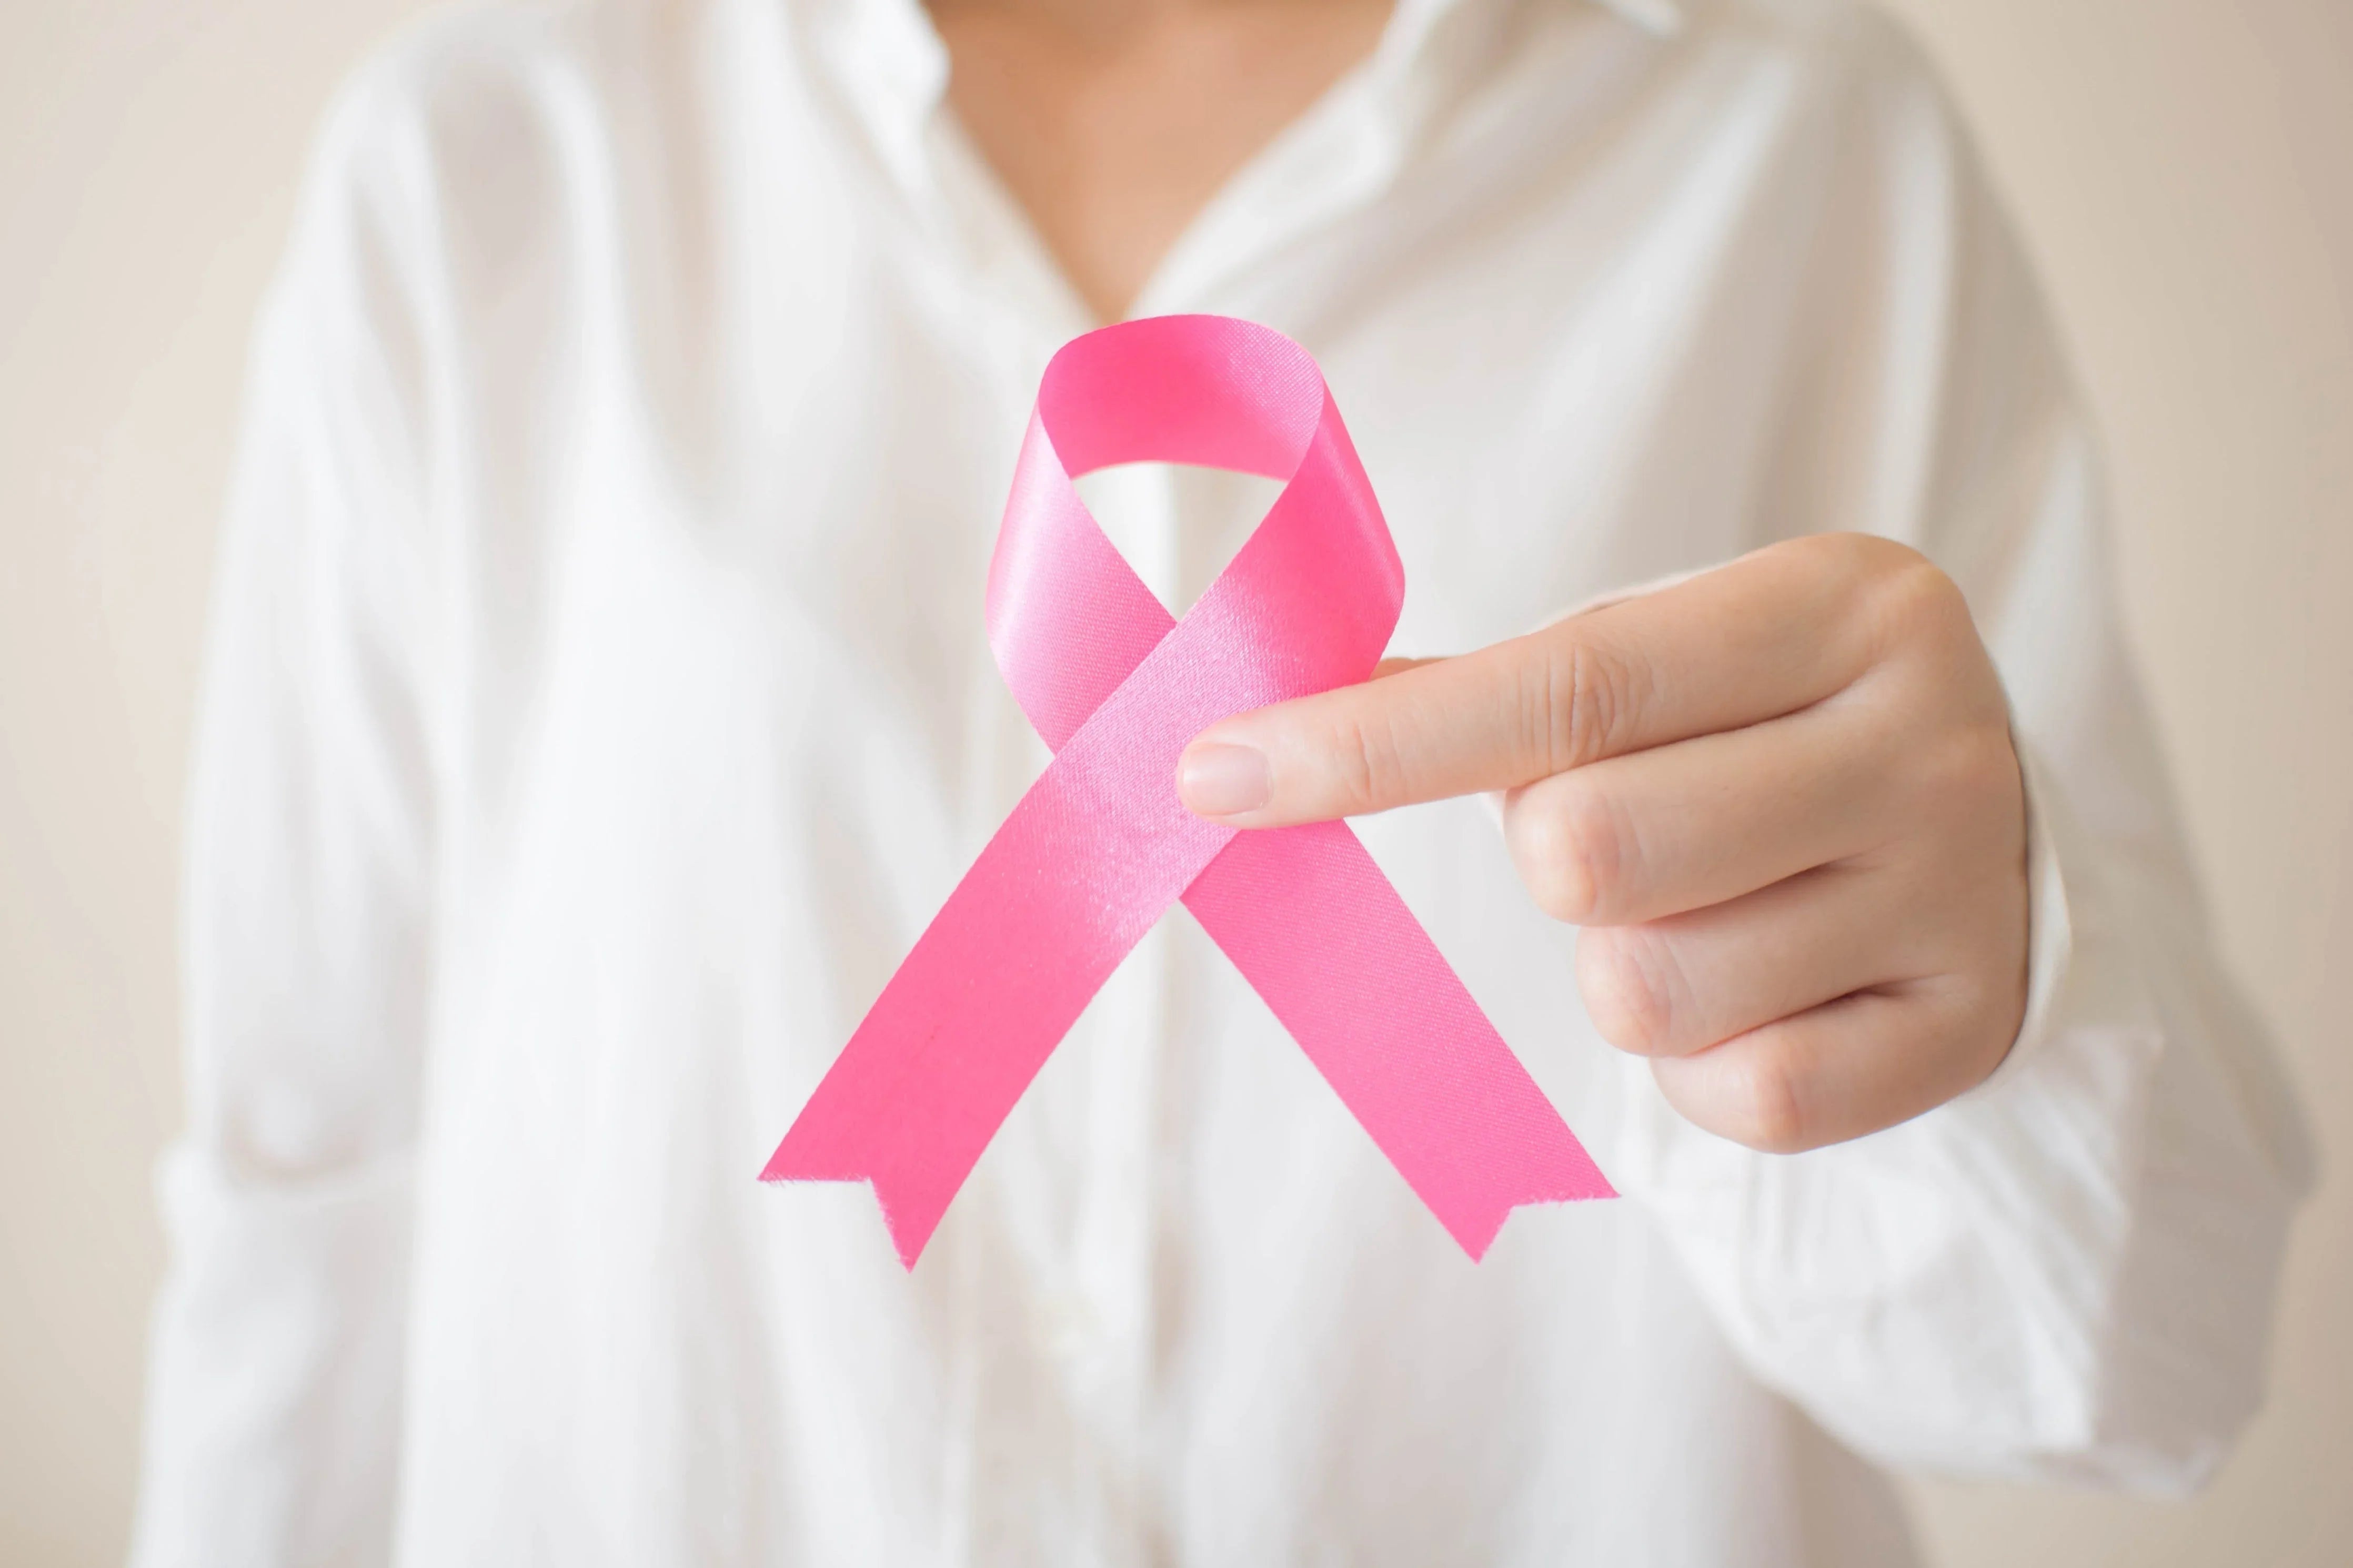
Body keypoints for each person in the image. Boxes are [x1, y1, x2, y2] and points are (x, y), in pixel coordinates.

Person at [132, 0, 2314, 1562]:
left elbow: (2142, 1364)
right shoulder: (496, 159)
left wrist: (2000, 983)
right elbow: (314, 1210)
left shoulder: (1804, 154)